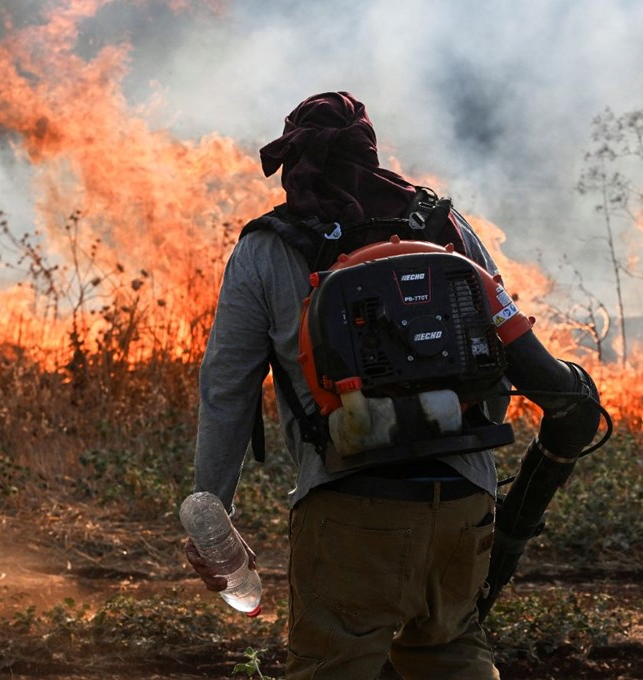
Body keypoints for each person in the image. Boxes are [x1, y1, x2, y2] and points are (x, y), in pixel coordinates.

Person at [185, 92, 600, 680]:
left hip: (348, 506)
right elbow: (509, 347)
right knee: (451, 652)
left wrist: (214, 521)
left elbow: (226, 389)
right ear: (371, 149)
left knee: (334, 664)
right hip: (463, 505)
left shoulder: (265, 248)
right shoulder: (442, 225)